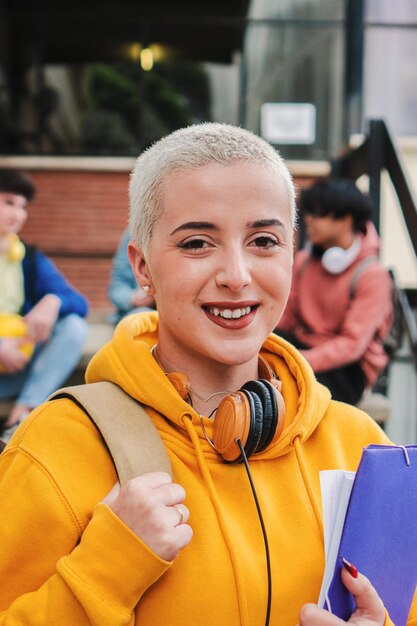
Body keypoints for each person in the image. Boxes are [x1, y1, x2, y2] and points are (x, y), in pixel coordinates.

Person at [0, 124, 410, 625]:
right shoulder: (57, 447)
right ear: (142, 267)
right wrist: (105, 568)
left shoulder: (362, 449)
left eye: (263, 240)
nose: (236, 275)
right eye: (197, 243)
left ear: (291, 255)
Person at [276, 178, 393, 405]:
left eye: (318, 214)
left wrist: (298, 360)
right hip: (306, 348)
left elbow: (352, 344)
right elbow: (285, 320)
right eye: (308, 213)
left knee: (294, 392)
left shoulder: (373, 275)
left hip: (349, 367)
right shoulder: (304, 262)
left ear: (345, 221)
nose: (309, 220)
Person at [0, 168, 89, 441]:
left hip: (16, 367)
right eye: (9, 203)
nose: (18, 214)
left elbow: (79, 302)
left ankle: (22, 414)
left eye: (23, 207)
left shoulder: (28, 257)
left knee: (73, 326)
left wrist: (53, 300)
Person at [108, 227, 155, 323]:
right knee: (142, 317)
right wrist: (134, 298)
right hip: (139, 310)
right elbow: (117, 288)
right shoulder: (134, 233)